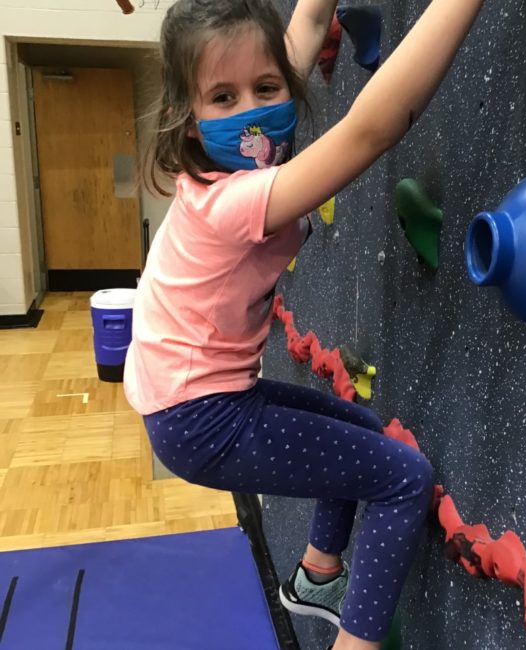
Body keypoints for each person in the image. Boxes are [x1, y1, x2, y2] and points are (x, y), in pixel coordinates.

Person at [124, 0, 486, 648]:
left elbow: (309, 23)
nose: (252, 110)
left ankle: (318, 573)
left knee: (364, 431)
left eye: (266, 88)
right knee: (403, 478)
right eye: (223, 97)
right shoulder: (235, 199)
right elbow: (371, 131)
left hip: (195, 397)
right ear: (188, 124)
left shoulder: (243, 151)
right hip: (201, 418)